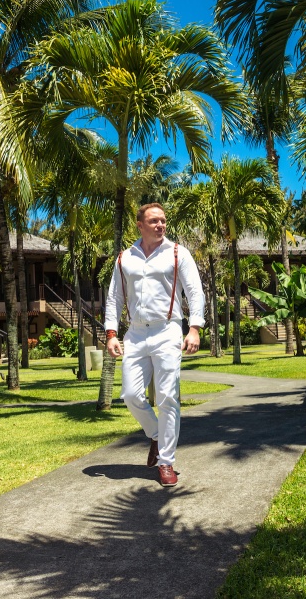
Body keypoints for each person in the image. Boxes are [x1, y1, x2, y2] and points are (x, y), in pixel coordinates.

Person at [105, 203, 205, 487]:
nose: (160, 225)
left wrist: (194, 328)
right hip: (136, 333)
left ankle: (166, 461)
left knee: (167, 397)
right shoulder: (125, 258)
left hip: (167, 330)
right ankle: (157, 436)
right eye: (154, 221)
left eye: (163, 220)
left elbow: (195, 292)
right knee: (130, 394)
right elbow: (114, 297)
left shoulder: (177, 253)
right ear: (140, 225)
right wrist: (111, 333)